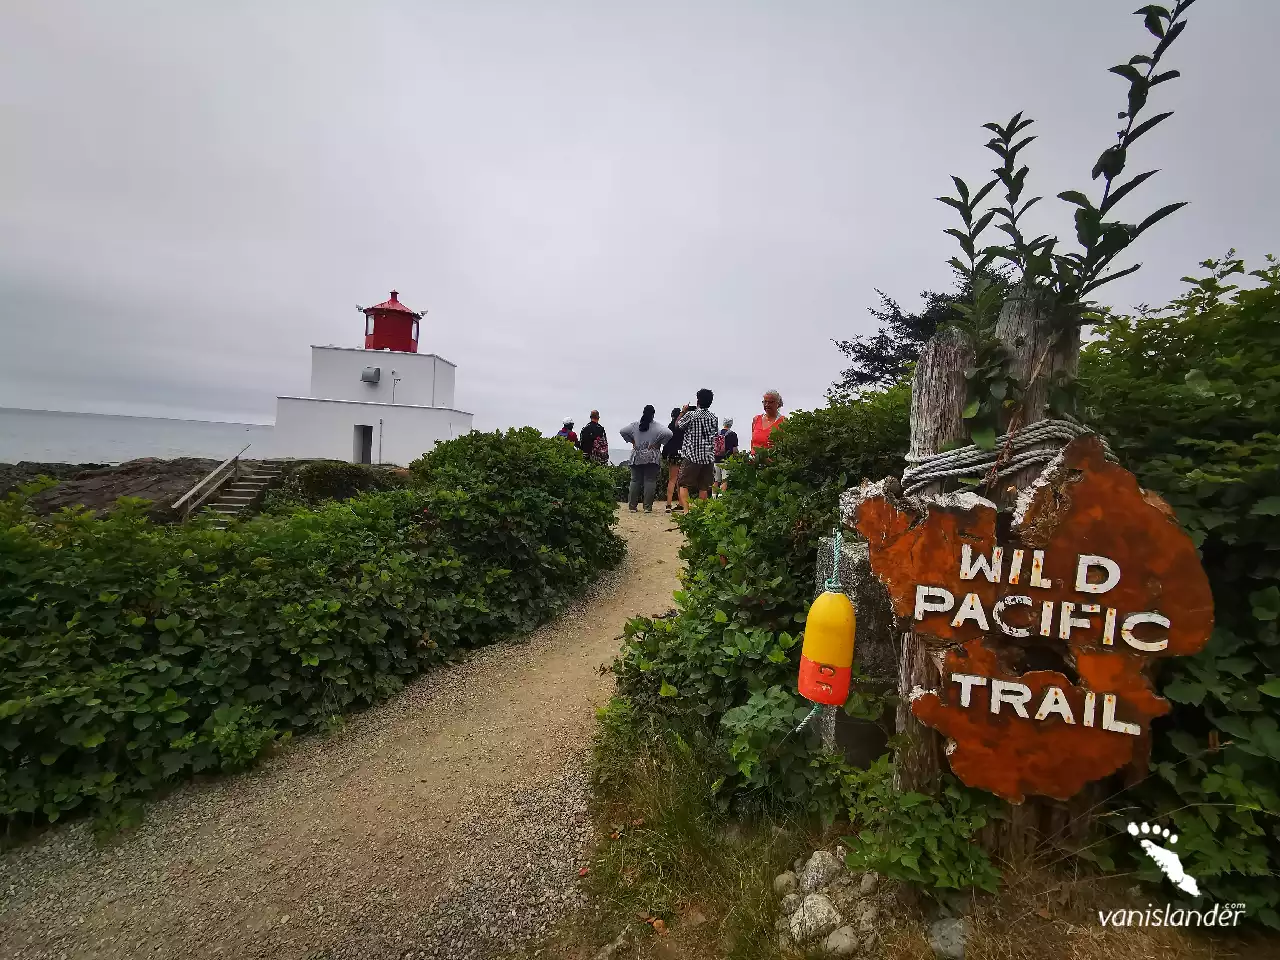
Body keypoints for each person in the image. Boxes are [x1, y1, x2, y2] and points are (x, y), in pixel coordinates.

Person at [619, 405, 672, 512]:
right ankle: (647, 507)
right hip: (651, 456)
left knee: (635, 481)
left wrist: (633, 441)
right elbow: (669, 433)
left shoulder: (635, 425)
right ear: (653, 414)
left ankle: (632, 507)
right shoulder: (657, 427)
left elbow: (622, 431)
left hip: (637, 455)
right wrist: (658, 443)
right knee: (650, 481)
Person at [676, 388, 719, 511]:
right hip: (708, 456)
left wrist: (682, 412)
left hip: (692, 455)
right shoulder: (714, 417)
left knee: (683, 484)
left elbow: (678, 426)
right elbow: (715, 433)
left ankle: (686, 511)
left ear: (698, 400)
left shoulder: (691, 415)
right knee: (704, 487)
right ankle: (700, 513)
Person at [661, 406, 685, 512]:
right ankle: (681, 503)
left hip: (672, 455)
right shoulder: (683, 427)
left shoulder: (669, 427)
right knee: (681, 480)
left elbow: (666, 443)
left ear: (671, 416)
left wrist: (664, 454)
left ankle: (668, 505)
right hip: (682, 454)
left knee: (672, 480)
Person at [751, 389, 786, 455]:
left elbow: (786, 445)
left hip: (772, 462)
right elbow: (752, 442)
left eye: (771, 402)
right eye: (765, 402)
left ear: (778, 404)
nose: (767, 405)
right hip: (754, 462)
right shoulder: (756, 419)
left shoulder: (783, 421)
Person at [713, 417, 739, 495]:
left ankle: (713, 499)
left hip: (716, 460)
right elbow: (735, 450)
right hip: (727, 460)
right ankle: (721, 498)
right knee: (725, 480)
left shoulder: (717, 433)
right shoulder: (733, 434)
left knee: (716, 480)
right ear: (731, 424)